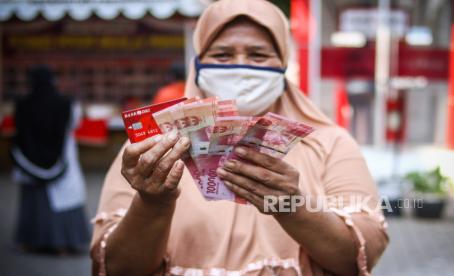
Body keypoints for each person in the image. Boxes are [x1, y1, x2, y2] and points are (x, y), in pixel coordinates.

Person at [91, 0, 388, 275]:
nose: (240, 66)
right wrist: (152, 203)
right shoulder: (154, 149)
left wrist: (292, 205)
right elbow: (116, 268)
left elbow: (359, 256)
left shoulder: (329, 143)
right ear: (199, 64)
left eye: (258, 55)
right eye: (222, 55)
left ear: (283, 64)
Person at [11, 65, 90, 254]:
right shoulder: (65, 104)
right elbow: (74, 124)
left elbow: (18, 130)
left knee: (35, 203)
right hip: (61, 161)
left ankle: (32, 241)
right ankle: (62, 242)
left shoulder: (22, 103)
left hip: (28, 162)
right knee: (62, 201)